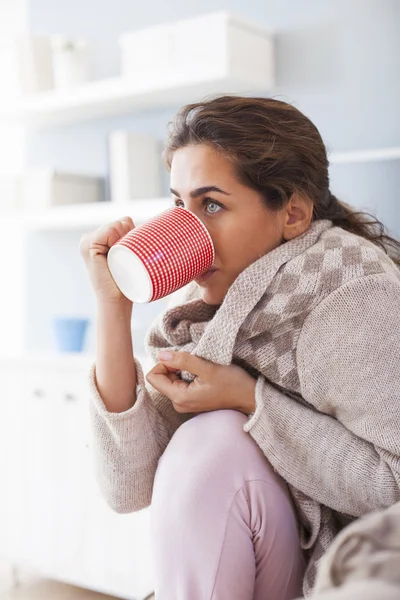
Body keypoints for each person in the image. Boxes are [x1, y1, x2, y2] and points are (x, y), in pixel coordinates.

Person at [80, 96, 400, 600]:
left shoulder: (351, 294)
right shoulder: (208, 306)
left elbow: (395, 487)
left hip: (348, 558)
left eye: (212, 205)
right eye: (179, 205)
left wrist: (250, 400)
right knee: (209, 439)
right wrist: (112, 307)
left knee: (214, 438)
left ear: (292, 213)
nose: (187, 229)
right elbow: (128, 486)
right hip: (265, 545)